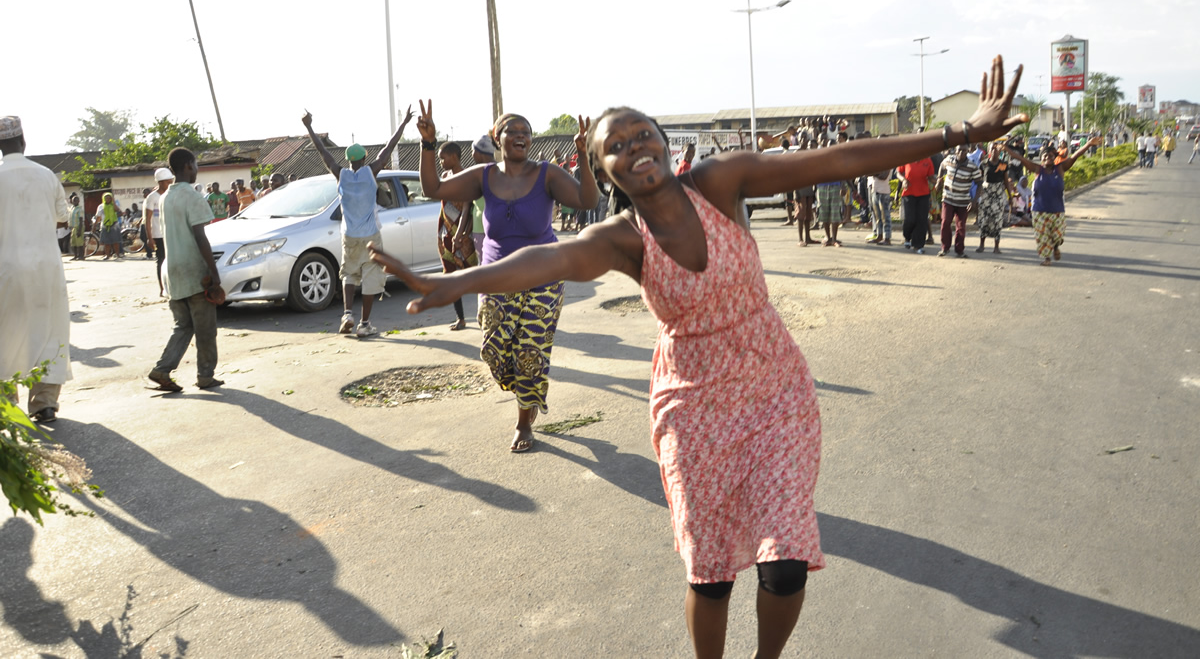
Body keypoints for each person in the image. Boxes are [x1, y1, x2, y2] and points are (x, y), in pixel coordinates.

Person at [368, 57, 1027, 659]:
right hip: (692, 405)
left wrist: (959, 134)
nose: (633, 149)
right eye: (615, 147)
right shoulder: (622, 238)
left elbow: (835, 160)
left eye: (640, 135)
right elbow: (547, 259)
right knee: (709, 573)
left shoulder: (720, 181)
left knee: (785, 559)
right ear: (604, 170)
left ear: (664, 140)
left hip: (776, 388)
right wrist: (456, 282)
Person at [408, 101, 599, 453]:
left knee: (530, 351)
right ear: (498, 138)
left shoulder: (547, 174)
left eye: (527, 132)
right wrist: (428, 144)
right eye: (514, 131)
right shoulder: (484, 177)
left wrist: (584, 156)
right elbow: (434, 188)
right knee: (494, 351)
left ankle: (524, 420)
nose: (522, 136)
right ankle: (528, 388)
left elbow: (588, 199)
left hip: (544, 277)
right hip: (496, 278)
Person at [301, 106, 413, 337]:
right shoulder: (371, 172)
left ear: (348, 161)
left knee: (349, 274)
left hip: (349, 235)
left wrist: (309, 126)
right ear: (364, 158)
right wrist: (403, 124)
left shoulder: (340, 174)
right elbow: (388, 148)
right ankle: (364, 324)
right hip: (371, 234)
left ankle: (347, 314)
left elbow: (323, 152)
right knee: (371, 276)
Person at [0, 116, 72, 422]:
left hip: (5, 268)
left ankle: (6, 404)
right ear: (23, 141)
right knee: (49, 329)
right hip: (45, 267)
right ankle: (43, 403)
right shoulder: (46, 175)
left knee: (5, 332)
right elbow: (62, 218)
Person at [148, 148, 224, 392]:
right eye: (196, 164)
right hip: (193, 270)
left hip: (172, 271)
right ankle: (205, 376)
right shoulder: (192, 197)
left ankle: (162, 369)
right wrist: (214, 272)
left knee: (183, 326)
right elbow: (200, 237)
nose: (197, 169)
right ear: (189, 166)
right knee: (205, 329)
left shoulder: (164, 197)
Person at [1005, 135, 1101, 266]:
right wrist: (1006, 149)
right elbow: (1020, 158)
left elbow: (1075, 156)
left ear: (1054, 157)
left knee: (1058, 236)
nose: (1047, 158)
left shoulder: (1060, 168)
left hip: (1057, 210)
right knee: (1042, 235)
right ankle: (1046, 258)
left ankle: (1055, 247)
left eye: (1050, 156)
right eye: (1045, 156)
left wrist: (1089, 144)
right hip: (1039, 210)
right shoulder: (1037, 169)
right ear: (1041, 159)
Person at [436, 141, 478, 331]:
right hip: (447, 234)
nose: (441, 163)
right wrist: (443, 231)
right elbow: (443, 206)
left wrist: (459, 236)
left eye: (443, 158)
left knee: (475, 276)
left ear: (454, 157)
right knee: (450, 276)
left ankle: (485, 313)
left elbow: (467, 208)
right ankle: (460, 318)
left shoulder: (467, 178)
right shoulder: (445, 177)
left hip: (464, 236)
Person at [935, 144, 982, 258]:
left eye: (964, 151)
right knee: (945, 222)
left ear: (968, 151)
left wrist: (974, 200)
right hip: (948, 198)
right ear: (955, 151)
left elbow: (979, 182)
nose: (962, 153)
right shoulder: (949, 160)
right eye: (959, 150)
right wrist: (939, 180)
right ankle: (945, 248)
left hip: (963, 201)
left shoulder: (972, 166)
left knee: (961, 226)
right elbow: (942, 166)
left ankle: (959, 250)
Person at [976, 142, 1014, 253]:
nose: (994, 151)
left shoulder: (1003, 164)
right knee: (984, 219)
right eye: (991, 148)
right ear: (988, 150)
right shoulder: (984, 164)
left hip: (998, 194)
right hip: (986, 194)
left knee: (997, 220)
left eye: (996, 149)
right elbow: (979, 180)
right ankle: (981, 245)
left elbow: (1006, 181)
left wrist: (1010, 196)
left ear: (999, 151)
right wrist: (977, 196)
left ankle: (996, 246)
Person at [897, 152, 936, 254]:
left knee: (921, 220)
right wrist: (903, 180)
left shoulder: (927, 160)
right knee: (910, 219)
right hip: (908, 193)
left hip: (923, 194)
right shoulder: (906, 158)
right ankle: (907, 237)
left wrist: (936, 181)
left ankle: (918, 245)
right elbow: (898, 173)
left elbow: (931, 176)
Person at [144, 167, 173, 295]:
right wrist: (150, 238)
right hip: (158, 234)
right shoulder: (152, 198)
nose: (170, 184)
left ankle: (172, 285)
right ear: (160, 182)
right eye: (168, 182)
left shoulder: (170, 195)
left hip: (170, 232)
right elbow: (148, 218)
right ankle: (162, 288)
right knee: (161, 261)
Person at [96, 192, 122, 259]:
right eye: (106, 198)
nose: (108, 199)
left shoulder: (113, 205)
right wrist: (94, 225)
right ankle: (107, 255)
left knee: (115, 242)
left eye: (110, 198)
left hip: (114, 226)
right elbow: (98, 217)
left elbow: (118, 211)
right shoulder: (101, 206)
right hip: (105, 226)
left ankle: (117, 255)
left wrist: (113, 203)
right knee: (106, 242)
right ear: (104, 199)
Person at [68, 193, 86, 260]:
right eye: (73, 200)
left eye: (76, 200)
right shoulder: (72, 208)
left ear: (78, 201)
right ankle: (75, 256)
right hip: (73, 227)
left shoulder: (79, 209)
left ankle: (81, 256)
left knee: (80, 243)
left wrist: (79, 230)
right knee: (73, 243)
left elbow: (81, 220)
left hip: (79, 227)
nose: (75, 201)